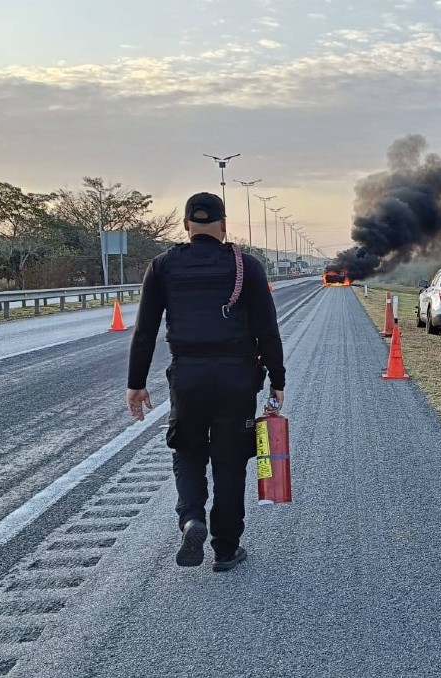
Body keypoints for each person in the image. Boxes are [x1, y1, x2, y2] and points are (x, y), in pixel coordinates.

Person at [125, 192, 286, 573]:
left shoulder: (163, 266)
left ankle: (191, 518)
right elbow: (268, 330)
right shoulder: (246, 266)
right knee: (230, 463)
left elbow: (145, 330)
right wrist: (277, 381)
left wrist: (136, 382)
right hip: (237, 377)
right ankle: (226, 549)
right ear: (225, 224)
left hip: (189, 377)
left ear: (185, 226)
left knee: (188, 452)